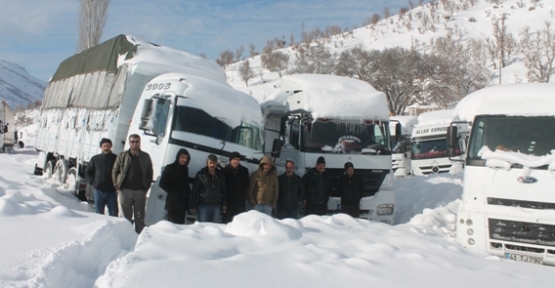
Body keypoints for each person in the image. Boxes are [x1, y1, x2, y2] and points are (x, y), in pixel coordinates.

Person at [112, 134, 153, 234]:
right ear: (129, 143)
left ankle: (138, 237)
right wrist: (117, 186)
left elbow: (149, 173)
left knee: (140, 217)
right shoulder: (122, 155)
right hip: (125, 190)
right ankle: (126, 235)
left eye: (137, 141)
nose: (135, 143)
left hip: (139, 191)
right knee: (126, 218)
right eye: (132, 142)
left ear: (140, 142)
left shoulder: (145, 156)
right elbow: (115, 171)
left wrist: (145, 188)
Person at [85, 138, 118, 217]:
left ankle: (114, 229)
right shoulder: (95, 159)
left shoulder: (116, 159)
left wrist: (118, 185)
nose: (106, 148)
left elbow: (121, 173)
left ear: (111, 147)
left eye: (108, 146)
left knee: (113, 214)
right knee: (99, 214)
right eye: (104, 146)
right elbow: (87, 172)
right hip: (99, 191)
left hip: (112, 192)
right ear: (101, 147)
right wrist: (93, 182)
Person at [191, 154, 227, 223]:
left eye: (214, 163)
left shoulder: (221, 175)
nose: (212, 165)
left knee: (213, 229)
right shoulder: (201, 174)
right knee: (202, 227)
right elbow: (194, 191)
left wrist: (224, 204)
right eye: (210, 163)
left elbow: (224, 190)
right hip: (203, 205)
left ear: (217, 163)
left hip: (216, 206)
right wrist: (193, 205)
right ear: (207, 163)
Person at [159, 149, 191, 224]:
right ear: (178, 157)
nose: (184, 160)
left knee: (180, 226)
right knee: (172, 226)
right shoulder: (170, 168)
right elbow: (162, 183)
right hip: (173, 203)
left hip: (182, 204)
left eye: (186, 158)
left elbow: (185, 183)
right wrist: (172, 192)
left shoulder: (185, 169)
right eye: (182, 157)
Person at [222, 152, 249, 224]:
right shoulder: (224, 171)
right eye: (234, 159)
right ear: (230, 160)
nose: (236, 161)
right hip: (228, 202)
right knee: (226, 223)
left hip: (240, 203)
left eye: (238, 159)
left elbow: (247, 185)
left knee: (239, 224)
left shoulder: (244, 171)